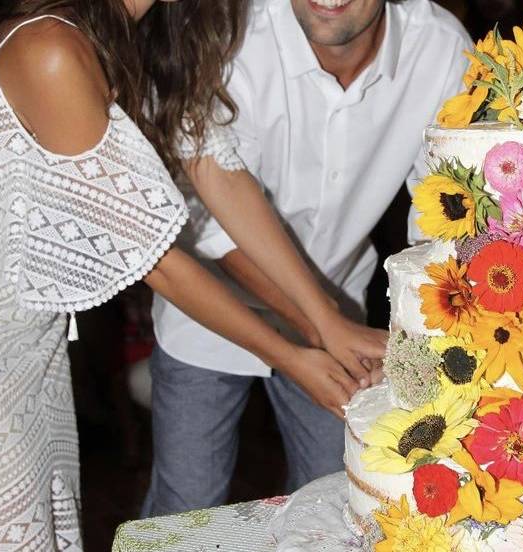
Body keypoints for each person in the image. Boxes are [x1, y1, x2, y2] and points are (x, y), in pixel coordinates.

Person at [0, 0, 387, 548]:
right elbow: (158, 262)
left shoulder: (145, 40)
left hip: (33, 345)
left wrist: (325, 320)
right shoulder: (49, 46)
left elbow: (217, 172)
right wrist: (291, 356)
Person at [146, 0, 472, 515]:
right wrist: (320, 323)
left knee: (340, 500)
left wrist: (421, 351)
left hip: (342, 314)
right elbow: (208, 219)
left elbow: (441, 219)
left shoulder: (442, 48)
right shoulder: (228, 36)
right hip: (206, 312)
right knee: (185, 503)